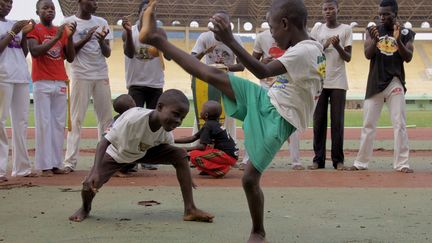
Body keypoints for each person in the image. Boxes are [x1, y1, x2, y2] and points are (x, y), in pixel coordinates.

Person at [138, 0, 325, 242]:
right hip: (268, 98)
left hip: (278, 118)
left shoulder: (305, 50)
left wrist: (229, 40)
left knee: (249, 179)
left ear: (286, 24)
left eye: (271, 28)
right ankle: (156, 39)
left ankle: (258, 232)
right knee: (213, 73)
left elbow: (262, 72)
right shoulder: (310, 48)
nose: (271, 34)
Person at [68, 89, 214, 223]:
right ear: (160, 107)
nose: (178, 121)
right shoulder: (132, 119)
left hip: (142, 152)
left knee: (180, 154)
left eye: (182, 118)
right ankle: (85, 208)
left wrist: (185, 174)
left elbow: (171, 150)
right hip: (118, 154)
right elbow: (103, 143)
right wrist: (95, 171)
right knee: (89, 185)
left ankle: (190, 209)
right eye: (176, 114)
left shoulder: (165, 130)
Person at [346, 0, 414, 173]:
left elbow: (408, 57)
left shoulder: (405, 33)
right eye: (380, 14)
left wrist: (398, 41)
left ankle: (402, 163)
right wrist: (375, 40)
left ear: (395, 14)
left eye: (386, 14)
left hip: (395, 81)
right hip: (375, 82)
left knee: (399, 123)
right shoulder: (372, 30)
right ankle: (361, 162)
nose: (382, 17)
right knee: (368, 124)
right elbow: (367, 54)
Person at [240, 16, 304, 171]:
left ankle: (296, 161)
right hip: (266, 87)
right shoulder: (261, 37)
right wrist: (263, 63)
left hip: (287, 88)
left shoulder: (293, 37)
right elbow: (252, 62)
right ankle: (247, 159)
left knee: (292, 123)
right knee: (255, 122)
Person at [62, 0, 113, 173]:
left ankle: (105, 160)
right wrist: (86, 37)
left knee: (106, 120)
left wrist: (100, 42)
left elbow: (107, 53)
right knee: (76, 119)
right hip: (79, 75)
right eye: (92, 0)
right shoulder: (67, 23)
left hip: (100, 74)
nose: (96, 3)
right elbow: (68, 54)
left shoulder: (102, 23)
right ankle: (70, 162)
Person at [27, 0, 76, 177]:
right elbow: (35, 51)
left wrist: (69, 37)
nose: (49, 11)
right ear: (37, 11)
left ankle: (56, 163)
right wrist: (56, 38)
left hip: (60, 81)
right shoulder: (34, 29)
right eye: (45, 8)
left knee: (58, 125)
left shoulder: (60, 31)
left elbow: (70, 57)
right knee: (44, 124)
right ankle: (44, 165)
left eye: (52, 8)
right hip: (42, 82)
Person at [122, 0, 169, 170]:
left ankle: (148, 158)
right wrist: (127, 33)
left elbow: (169, 57)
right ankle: (130, 159)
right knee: (134, 122)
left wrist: (161, 41)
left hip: (155, 84)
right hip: (136, 83)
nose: (150, 12)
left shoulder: (159, 32)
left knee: (153, 124)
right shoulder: (131, 31)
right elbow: (128, 53)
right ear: (140, 13)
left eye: (153, 10)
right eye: (146, 9)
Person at [308, 0, 352, 170]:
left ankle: (338, 160)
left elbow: (348, 57)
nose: (328, 11)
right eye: (325, 9)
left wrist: (337, 46)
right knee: (318, 122)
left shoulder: (346, 29)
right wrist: (325, 44)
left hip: (338, 82)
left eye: (331, 8)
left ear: (337, 10)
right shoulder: (318, 28)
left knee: (337, 123)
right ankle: (318, 160)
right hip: (320, 80)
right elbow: (310, 51)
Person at [191, 11, 245, 145]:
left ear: (228, 26)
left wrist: (224, 68)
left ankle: (230, 147)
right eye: (215, 23)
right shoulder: (204, 37)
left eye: (221, 23)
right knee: (204, 112)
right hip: (208, 82)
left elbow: (242, 66)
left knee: (229, 114)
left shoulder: (235, 39)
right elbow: (192, 60)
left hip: (228, 82)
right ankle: (198, 146)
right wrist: (204, 52)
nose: (218, 26)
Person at [0, 0, 37, 182]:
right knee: (0, 121)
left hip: (20, 76)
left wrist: (24, 34)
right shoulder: (11, 26)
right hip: (2, 77)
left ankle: (21, 167)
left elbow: (23, 53)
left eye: (9, 2)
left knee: (21, 122)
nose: (6, 5)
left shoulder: (13, 23)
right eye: (2, 2)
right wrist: (14, 31)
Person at [175, 100, 239, 178]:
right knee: (206, 149)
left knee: (194, 155)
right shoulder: (214, 124)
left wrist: (186, 149)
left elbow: (202, 147)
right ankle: (215, 168)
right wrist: (173, 140)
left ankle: (221, 169)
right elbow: (193, 138)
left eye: (201, 110)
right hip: (231, 155)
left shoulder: (208, 126)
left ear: (206, 115)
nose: (200, 112)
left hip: (227, 156)